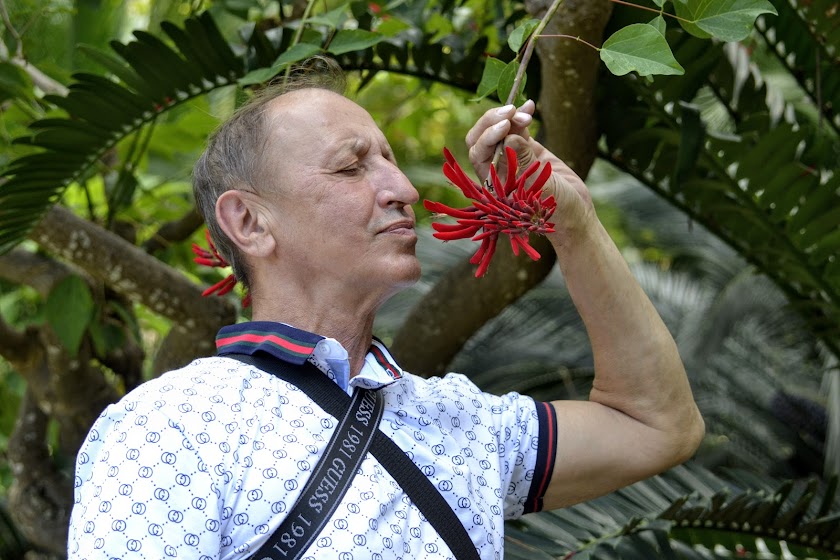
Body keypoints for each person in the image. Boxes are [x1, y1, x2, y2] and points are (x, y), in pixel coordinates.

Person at [68, 58, 704, 559]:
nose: (402, 190)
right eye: (351, 168)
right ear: (250, 221)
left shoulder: (460, 423)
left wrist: (574, 222)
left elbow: (657, 425)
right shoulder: (169, 427)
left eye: (391, 163)